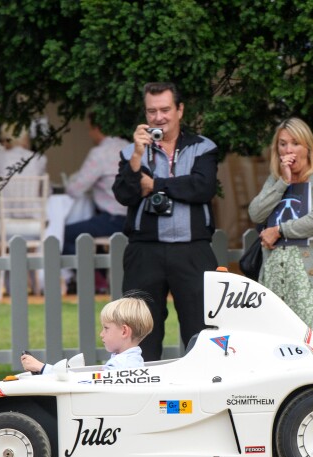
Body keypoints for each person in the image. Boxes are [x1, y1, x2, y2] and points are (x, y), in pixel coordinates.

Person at [112, 81, 219, 362]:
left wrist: (154, 183)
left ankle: (205, 393)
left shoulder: (203, 147)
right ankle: (139, 396)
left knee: (202, 329)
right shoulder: (131, 152)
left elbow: (202, 187)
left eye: (165, 109)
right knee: (139, 332)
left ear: (179, 110)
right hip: (145, 251)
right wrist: (137, 155)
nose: (158, 117)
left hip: (192, 249)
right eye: (151, 111)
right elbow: (125, 193)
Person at [248, 117, 313, 344]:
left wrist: (280, 230)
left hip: (312, 280)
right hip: (276, 279)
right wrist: (283, 182)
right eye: (282, 144)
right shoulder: (276, 179)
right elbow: (256, 213)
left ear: (307, 147)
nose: (288, 150)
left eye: (295, 143)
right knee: (278, 347)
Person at [20, 295, 152, 374]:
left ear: (124, 331)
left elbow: (82, 382)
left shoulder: (121, 366)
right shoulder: (128, 361)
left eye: (106, 328)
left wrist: (42, 368)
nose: (101, 334)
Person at [62, 114, 130, 258]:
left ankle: (95, 279)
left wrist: (70, 183)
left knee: (62, 235)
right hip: (133, 219)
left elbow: (75, 189)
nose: (90, 134)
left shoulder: (100, 154)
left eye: (89, 129)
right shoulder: (129, 148)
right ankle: (100, 275)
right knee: (92, 231)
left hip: (114, 219)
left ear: (97, 128)